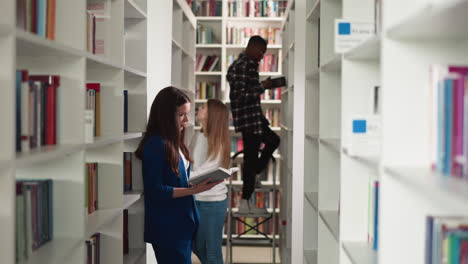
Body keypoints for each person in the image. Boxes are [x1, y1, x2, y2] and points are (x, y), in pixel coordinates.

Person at [135, 87, 222, 264]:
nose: (186, 121)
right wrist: (194, 190)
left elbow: (178, 180)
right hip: (168, 228)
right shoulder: (156, 144)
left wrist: (198, 185)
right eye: (181, 115)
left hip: (183, 224)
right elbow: (156, 190)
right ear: (166, 115)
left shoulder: (175, 142)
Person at [226, 35, 280, 214]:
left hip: (253, 118)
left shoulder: (245, 65)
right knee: (251, 160)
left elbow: (247, 95)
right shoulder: (244, 66)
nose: (262, 56)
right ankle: (245, 201)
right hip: (249, 120)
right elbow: (241, 96)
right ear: (253, 47)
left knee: (272, 141)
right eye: (261, 52)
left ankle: (254, 176)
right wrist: (263, 86)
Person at [190, 99, 230, 264]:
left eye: (204, 107)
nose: (200, 108)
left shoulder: (218, 142)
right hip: (195, 198)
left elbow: (203, 172)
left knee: (212, 252)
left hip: (212, 203)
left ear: (211, 115)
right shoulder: (197, 136)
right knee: (196, 246)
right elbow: (190, 164)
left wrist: (179, 179)